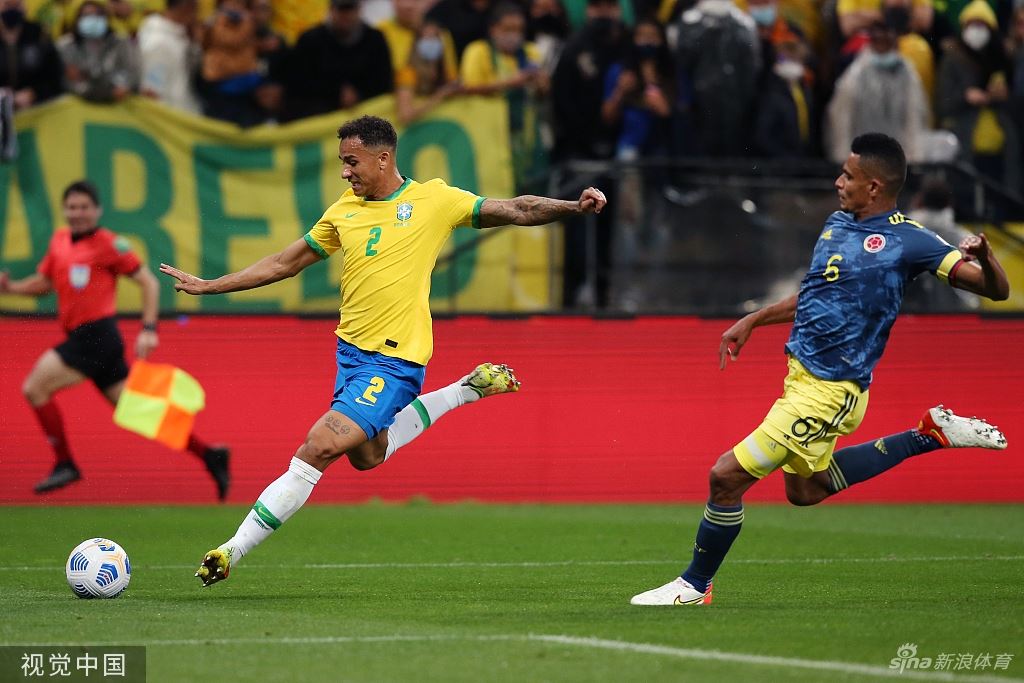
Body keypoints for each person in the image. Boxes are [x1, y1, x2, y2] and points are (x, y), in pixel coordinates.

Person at [158, 115, 607, 587]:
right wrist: (212, 285)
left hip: (395, 360)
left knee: (319, 445)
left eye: (351, 162)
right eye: (342, 162)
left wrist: (572, 207)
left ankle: (231, 549)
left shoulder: (434, 200)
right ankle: (466, 389)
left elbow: (517, 208)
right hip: (350, 356)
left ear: (383, 158)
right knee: (367, 456)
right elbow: (283, 263)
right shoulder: (343, 211)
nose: (345, 172)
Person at [630, 133, 1010, 606]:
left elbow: (995, 290)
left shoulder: (910, 241)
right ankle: (928, 435)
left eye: (847, 176)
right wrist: (754, 319)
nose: (838, 183)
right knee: (807, 489)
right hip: (800, 379)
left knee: (725, 476)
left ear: (874, 186)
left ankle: (694, 584)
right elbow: (814, 294)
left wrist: (986, 258)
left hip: (831, 389)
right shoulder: (836, 225)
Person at [0, 180, 231, 498]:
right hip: (87, 340)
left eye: (84, 207)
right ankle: (209, 454)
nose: (77, 213)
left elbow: (149, 283)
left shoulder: (110, 244)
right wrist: (10, 288)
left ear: (97, 211)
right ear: (64, 210)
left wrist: (149, 329)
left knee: (34, 388)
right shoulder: (59, 241)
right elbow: (44, 282)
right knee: (138, 411)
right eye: (72, 207)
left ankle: (65, 463)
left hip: (96, 336)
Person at [57, 0, 139, 104]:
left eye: (97, 15)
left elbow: (131, 73)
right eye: (86, 15)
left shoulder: (120, 43)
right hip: (77, 105)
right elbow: (67, 81)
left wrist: (122, 87)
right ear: (77, 19)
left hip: (117, 103)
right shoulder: (66, 46)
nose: (92, 19)